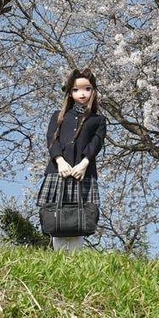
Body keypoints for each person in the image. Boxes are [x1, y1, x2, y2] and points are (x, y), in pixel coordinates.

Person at [36, 67, 107, 251]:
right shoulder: (58, 116)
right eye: (76, 90)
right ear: (69, 92)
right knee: (56, 218)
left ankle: (75, 259)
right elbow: (52, 139)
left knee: (80, 219)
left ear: (93, 91)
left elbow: (96, 143)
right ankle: (58, 257)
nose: (81, 94)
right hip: (58, 172)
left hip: (83, 174)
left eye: (87, 89)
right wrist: (59, 161)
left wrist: (84, 164)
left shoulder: (98, 120)